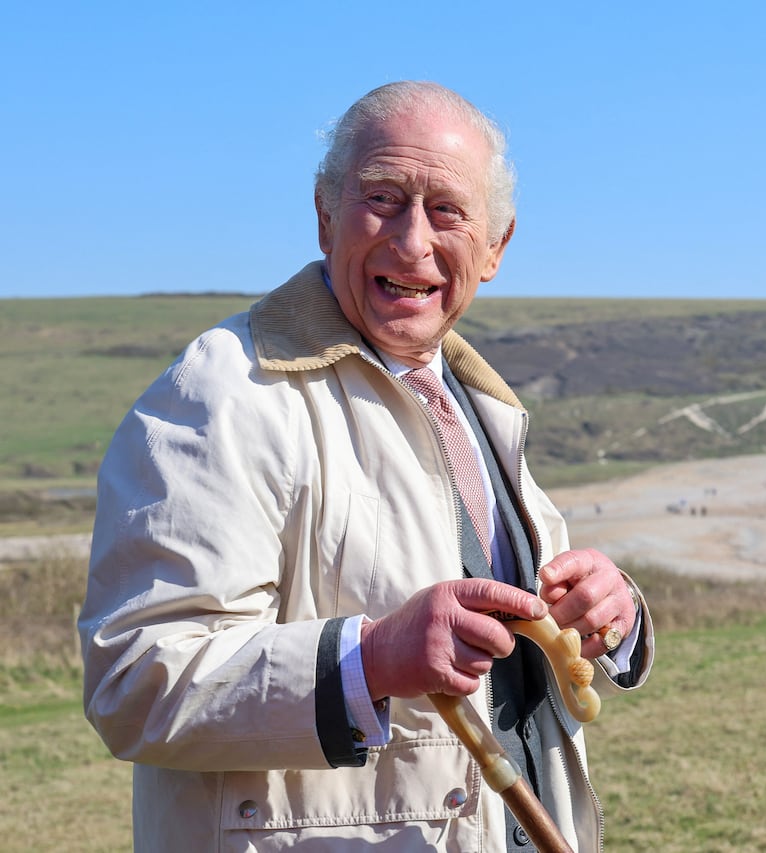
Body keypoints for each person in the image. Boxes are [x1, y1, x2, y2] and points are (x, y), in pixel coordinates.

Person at [79, 81, 653, 852]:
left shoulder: (476, 403)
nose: (412, 241)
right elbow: (135, 679)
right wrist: (371, 656)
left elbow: (523, 648)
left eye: (447, 209)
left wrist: (609, 615)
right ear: (324, 214)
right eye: (382, 197)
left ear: (495, 248)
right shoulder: (227, 389)